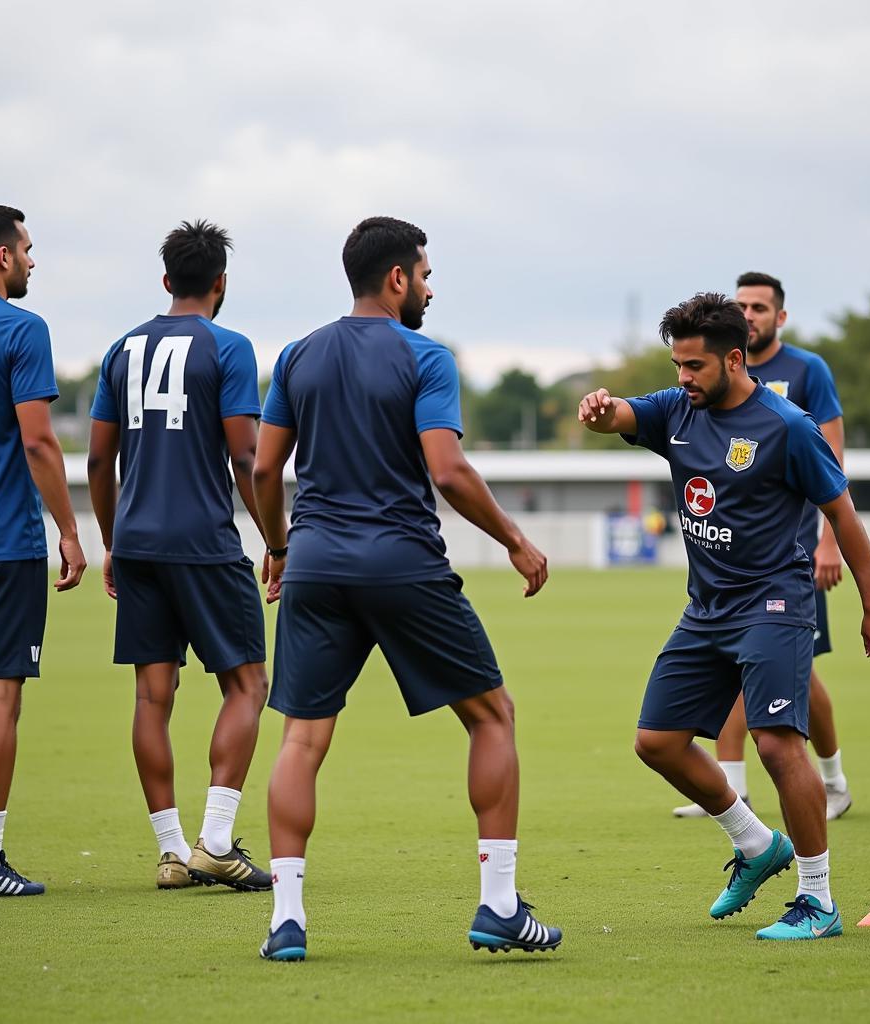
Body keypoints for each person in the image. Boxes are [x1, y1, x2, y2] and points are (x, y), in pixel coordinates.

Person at [252, 216, 560, 962]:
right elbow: (447, 470)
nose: (429, 286)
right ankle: (498, 906)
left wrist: (279, 546)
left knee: (301, 737)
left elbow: (264, 472)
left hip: (316, 564)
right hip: (402, 563)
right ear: (397, 278)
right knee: (492, 717)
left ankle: (285, 921)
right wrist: (516, 541)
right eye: (424, 273)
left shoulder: (296, 355)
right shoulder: (427, 356)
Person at [579, 292, 870, 940]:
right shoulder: (676, 409)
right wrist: (598, 410)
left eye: (694, 366)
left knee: (777, 743)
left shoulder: (786, 426)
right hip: (707, 608)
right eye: (676, 365)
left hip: (776, 602)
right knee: (658, 742)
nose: (682, 378)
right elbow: (621, 416)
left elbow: (841, 512)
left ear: (733, 359)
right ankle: (757, 845)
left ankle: (818, 900)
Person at [87, 220, 271, 891]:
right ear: (220, 283)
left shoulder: (120, 350)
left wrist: (111, 540)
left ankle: (170, 852)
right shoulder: (229, 347)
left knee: (152, 694)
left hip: (136, 542)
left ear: (166, 280)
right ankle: (215, 842)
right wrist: (278, 541)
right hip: (203, 542)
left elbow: (99, 457)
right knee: (248, 684)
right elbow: (246, 456)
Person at [673, 272, 852, 820]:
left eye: (760, 306)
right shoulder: (706, 378)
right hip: (730, 559)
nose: (750, 314)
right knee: (742, 664)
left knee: (801, 672)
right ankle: (731, 785)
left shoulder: (806, 372)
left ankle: (834, 777)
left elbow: (833, 463)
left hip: (790, 557)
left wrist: (828, 544)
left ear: (780, 316)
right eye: (742, 305)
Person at [0, 204, 86, 898]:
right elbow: (40, 441)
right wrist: (70, 530)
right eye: (28, 250)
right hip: (1, 540)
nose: (34, 260)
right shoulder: (20, 328)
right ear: (2, 257)